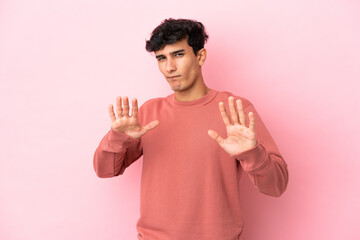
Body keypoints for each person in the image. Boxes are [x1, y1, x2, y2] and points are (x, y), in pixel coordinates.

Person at [93, 18, 288, 240]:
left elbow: (277, 186)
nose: (169, 67)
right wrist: (117, 138)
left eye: (178, 54)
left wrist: (252, 153)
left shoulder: (235, 109)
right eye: (161, 58)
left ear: (200, 56)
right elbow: (105, 170)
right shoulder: (149, 112)